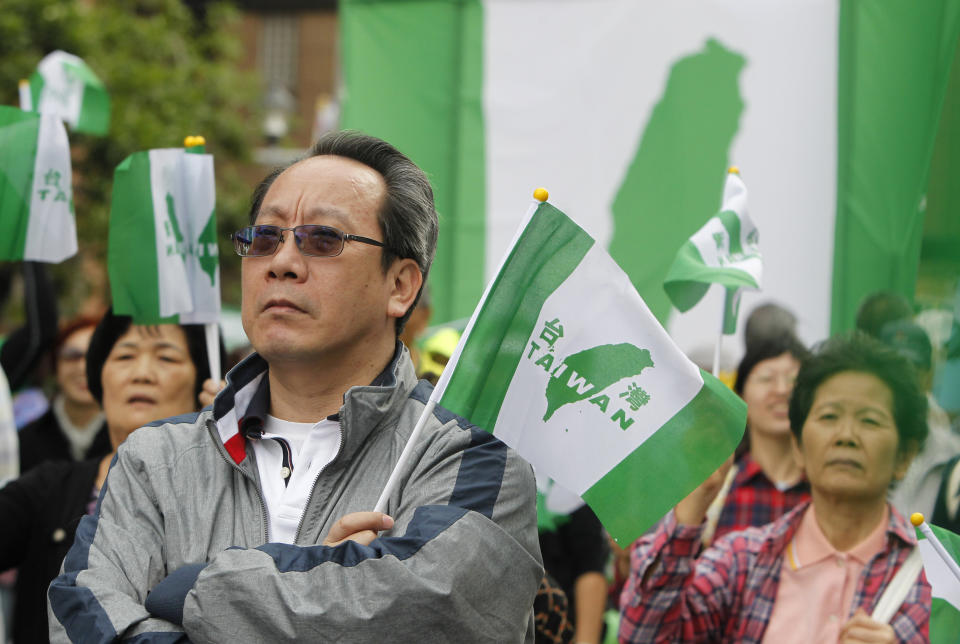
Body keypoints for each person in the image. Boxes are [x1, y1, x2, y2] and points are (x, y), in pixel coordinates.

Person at [49, 131, 542, 642]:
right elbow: (80, 613)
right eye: (264, 238)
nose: (281, 262)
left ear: (400, 285)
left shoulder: (469, 458)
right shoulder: (156, 459)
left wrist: (194, 588)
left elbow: (436, 612)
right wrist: (328, 584)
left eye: (323, 239)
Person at [619, 333, 930, 642]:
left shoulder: (934, 581)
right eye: (829, 416)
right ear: (798, 446)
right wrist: (689, 510)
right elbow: (644, 636)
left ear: (905, 455)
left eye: (870, 421)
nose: (845, 436)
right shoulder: (742, 562)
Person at [0, 310, 217, 643]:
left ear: (203, 381)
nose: (142, 373)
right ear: (99, 378)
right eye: (125, 356)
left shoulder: (231, 492)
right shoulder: (49, 488)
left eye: (166, 357)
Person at [703, 334, 811, 543]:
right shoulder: (716, 486)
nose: (782, 390)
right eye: (766, 379)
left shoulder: (828, 487)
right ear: (741, 395)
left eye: (793, 380)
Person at [879, 320, 960, 519]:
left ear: (928, 376)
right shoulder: (857, 446)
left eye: (912, 370)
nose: (903, 381)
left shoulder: (950, 453)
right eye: (893, 371)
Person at [17, 316, 110, 474]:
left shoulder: (132, 436)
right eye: (73, 356)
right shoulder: (24, 441)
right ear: (55, 366)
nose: (83, 368)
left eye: (96, 357)